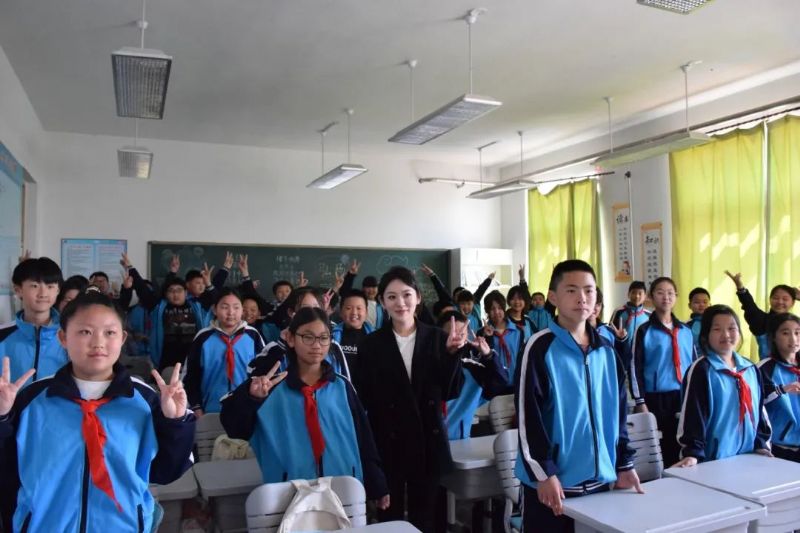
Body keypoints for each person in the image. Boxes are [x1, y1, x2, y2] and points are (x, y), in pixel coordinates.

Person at [0, 289, 195, 532]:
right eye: (85, 332)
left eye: (109, 332)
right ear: (63, 337)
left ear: (122, 338)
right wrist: (2, 418)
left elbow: (167, 472)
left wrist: (175, 422)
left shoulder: (144, 400)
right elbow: (7, 470)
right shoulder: (33, 399)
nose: (98, 343)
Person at [515, 260, 641, 533]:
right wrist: (544, 473)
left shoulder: (606, 350)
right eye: (571, 290)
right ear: (553, 297)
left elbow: (618, 414)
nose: (582, 298)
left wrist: (624, 462)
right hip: (552, 485)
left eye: (589, 290)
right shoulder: (539, 348)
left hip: (600, 482)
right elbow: (528, 419)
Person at [220, 307, 390, 507]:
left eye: (323, 338)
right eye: (308, 337)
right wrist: (250, 398)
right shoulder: (270, 390)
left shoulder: (342, 387)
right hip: (289, 495)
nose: (316, 345)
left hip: (343, 490)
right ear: (291, 339)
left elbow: (363, 438)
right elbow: (234, 428)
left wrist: (377, 483)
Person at [356, 267, 465, 532]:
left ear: (418, 297)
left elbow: (451, 391)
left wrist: (452, 356)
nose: (400, 303)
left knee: (428, 517)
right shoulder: (371, 344)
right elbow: (365, 398)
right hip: (388, 441)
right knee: (389, 518)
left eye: (406, 295)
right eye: (391, 297)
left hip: (428, 440)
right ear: (382, 302)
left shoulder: (438, 338)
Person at [675, 305, 772, 466]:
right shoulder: (702, 370)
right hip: (713, 461)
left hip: (748, 457)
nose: (726, 335)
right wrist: (692, 453)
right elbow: (693, 415)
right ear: (706, 334)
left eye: (731, 328)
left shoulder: (750, 368)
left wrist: (761, 444)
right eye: (717, 329)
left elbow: (760, 411)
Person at [629, 277, 697, 466]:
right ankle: (661, 480)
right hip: (655, 398)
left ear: (676, 296)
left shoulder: (685, 330)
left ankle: (679, 479)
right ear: (651, 297)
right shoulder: (644, 330)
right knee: (658, 447)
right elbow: (634, 366)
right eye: (660, 292)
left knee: (682, 443)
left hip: (683, 396)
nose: (665, 297)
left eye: (670, 293)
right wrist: (640, 401)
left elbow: (694, 366)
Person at [184, 288, 265, 415]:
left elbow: (263, 372)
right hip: (210, 409)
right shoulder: (203, 337)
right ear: (214, 309)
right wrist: (196, 406)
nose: (231, 312)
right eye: (225, 307)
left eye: (236, 307)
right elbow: (190, 376)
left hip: (247, 410)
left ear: (242, 310)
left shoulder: (253, 336)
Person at [440, 311, 508, 440]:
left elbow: (500, 382)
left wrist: (489, 356)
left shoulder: (472, 370)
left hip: (461, 442)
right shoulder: (426, 366)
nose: (457, 338)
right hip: (427, 444)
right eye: (451, 333)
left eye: (462, 334)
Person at [0, 257, 67, 385]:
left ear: (58, 290)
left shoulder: (70, 335)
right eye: (35, 286)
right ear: (18, 290)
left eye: (50, 286)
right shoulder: (3, 335)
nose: (43, 293)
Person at [725, 270, 798, 359]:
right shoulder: (762, 320)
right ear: (770, 300)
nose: (780, 302)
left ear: (793, 303)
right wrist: (740, 288)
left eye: (785, 299)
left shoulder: (796, 323)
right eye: (775, 298)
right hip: (769, 367)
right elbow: (749, 305)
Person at [758, 313, 800, 461]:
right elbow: (754, 404)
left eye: (797, 332)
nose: (793, 339)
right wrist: (782, 390)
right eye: (785, 333)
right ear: (773, 337)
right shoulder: (764, 368)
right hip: (780, 447)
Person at [479, 291, 523, 386]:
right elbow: (482, 361)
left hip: (516, 383)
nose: (496, 312)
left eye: (499, 308)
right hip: (493, 386)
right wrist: (487, 338)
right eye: (492, 309)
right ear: (487, 311)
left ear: (504, 308)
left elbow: (522, 358)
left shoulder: (518, 331)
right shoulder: (481, 333)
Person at [610, 281, 651, 350]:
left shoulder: (649, 315)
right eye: (633, 293)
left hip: (641, 353)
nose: (637, 296)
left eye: (640, 293)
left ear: (645, 296)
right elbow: (610, 332)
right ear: (628, 294)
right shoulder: (619, 312)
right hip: (621, 351)